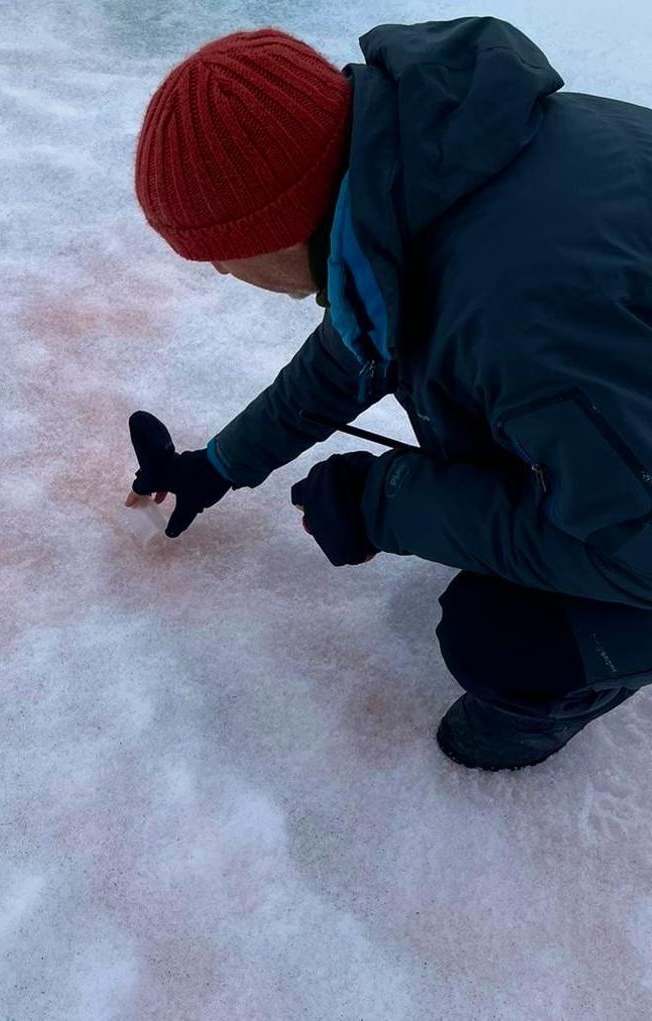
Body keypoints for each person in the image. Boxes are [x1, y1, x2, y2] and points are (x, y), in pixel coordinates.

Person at [128, 17, 652, 771]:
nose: (216, 273)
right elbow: (358, 342)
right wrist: (218, 463)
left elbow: (637, 550)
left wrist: (386, 502)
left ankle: (543, 712)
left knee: (501, 637)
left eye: (215, 254)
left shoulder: (514, 311)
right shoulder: (435, 167)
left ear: (273, 227)